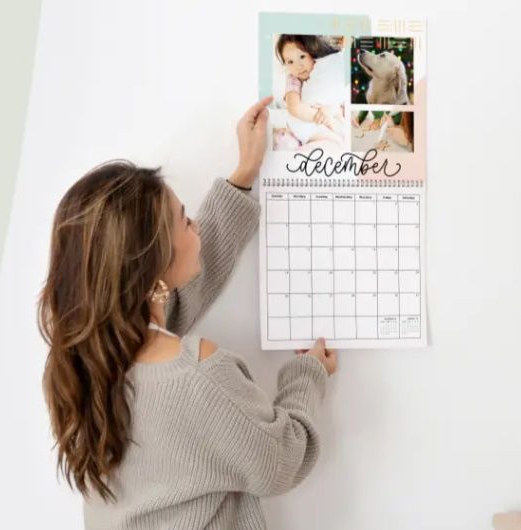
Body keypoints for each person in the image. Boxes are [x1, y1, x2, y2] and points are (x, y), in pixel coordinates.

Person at [37, 97, 338, 529]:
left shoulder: (86, 363)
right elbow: (282, 459)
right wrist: (306, 375)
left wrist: (244, 174)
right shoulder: (198, 375)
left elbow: (181, 294)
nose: (195, 225)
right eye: (185, 220)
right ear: (152, 267)